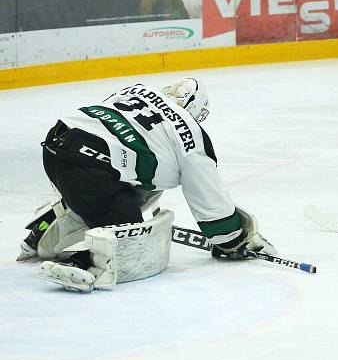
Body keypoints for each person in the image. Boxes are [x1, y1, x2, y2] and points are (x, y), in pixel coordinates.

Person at [17, 78, 274, 292]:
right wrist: (233, 240)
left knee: (140, 185)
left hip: (55, 146)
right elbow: (211, 206)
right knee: (130, 240)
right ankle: (82, 262)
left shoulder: (137, 90)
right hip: (90, 169)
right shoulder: (191, 135)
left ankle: (46, 227)